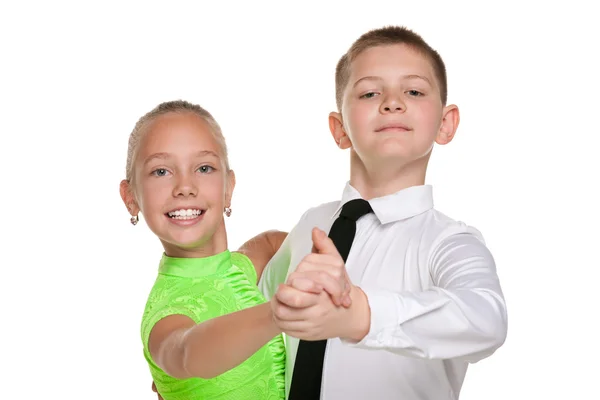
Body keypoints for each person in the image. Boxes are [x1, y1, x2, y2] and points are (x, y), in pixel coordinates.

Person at [261, 25, 508, 400]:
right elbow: (258, 310)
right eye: (370, 92)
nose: (392, 102)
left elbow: (486, 319)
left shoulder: (448, 242)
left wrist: (362, 314)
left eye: (414, 91)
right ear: (340, 129)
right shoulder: (311, 225)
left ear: (445, 123)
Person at [120, 100, 299, 400]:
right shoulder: (167, 314)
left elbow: (268, 244)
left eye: (204, 168)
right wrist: (278, 314)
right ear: (131, 198)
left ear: (228, 187)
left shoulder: (240, 269)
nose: (185, 186)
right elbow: (188, 351)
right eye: (161, 171)